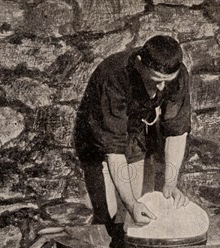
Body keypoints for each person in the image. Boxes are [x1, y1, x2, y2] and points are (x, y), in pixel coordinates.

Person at [74, 35, 191, 233]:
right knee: (108, 213)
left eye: (166, 81)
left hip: (134, 133)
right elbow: (113, 149)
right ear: (139, 64)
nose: (162, 87)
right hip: (98, 136)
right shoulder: (113, 75)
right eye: (156, 80)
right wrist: (130, 203)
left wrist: (170, 183)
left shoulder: (177, 75)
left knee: (135, 208)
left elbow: (176, 131)